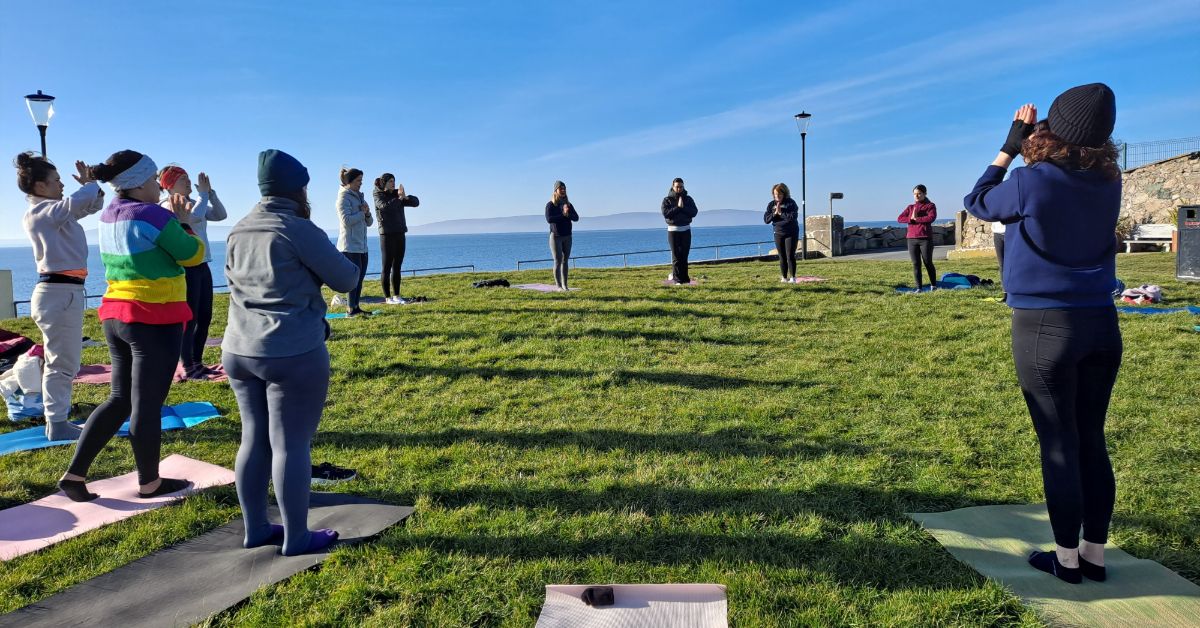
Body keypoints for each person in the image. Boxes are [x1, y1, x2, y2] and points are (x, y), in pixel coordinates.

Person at [964, 84, 1122, 584]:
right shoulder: (1110, 180)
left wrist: (1011, 144)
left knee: (1059, 443)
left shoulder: (1033, 180)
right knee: (1091, 439)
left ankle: (1066, 559)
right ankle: (1095, 555)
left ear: (1051, 127)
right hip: (1101, 321)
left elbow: (979, 202)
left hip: (1044, 325)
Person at [222, 149, 361, 555]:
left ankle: (255, 529)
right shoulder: (297, 228)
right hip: (291, 350)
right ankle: (296, 537)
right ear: (298, 188)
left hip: (238, 348)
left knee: (253, 439)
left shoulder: (239, 229)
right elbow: (345, 278)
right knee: (291, 445)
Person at [57, 150, 205, 502]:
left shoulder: (108, 215)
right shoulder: (153, 215)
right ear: (138, 183)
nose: (158, 186)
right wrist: (182, 221)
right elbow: (192, 255)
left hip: (115, 315)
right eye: (154, 180)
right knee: (147, 404)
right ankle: (150, 482)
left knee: (120, 399)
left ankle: (74, 475)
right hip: (154, 318)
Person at [15, 152, 105, 441]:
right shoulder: (41, 214)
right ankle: (57, 423)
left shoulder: (53, 213)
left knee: (65, 361)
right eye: (56, 181)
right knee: (61, 363)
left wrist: (94, 188)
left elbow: (90, 205)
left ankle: (58, 419)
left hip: (63, 292)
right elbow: (77, 202)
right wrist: (89, 184)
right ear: (40, 187)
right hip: (58, 292)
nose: (62, 185)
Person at [158, 165, 227, 379]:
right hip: (185, 266)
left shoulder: (195, 202)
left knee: (205, 315)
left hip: (202, 263)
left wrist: (211, 195)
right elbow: (194, 217)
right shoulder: (167, 205)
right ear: (169, 186)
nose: (188, 183)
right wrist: (203, 195)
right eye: (183, 180)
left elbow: (220, 215)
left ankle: (197, 360)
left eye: (188, 179)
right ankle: (187, 364)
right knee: (190, 317)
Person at [373, 173, 420, 304]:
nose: (393, 183)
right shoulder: (378, 194)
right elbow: (386, 207)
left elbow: (416, 202)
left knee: (397, 266)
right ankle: (388, 298)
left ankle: (397, 296)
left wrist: (405, 197)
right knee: (386, 266)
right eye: (390, 181)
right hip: (386, 234)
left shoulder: (396, 194)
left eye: (394, 181)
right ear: (384, 183)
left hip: (400, 232)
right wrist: (399, 198)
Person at [334, 167, 372, 315]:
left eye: (361, 181)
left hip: (362, 246)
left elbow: (369, 223)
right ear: (349, 182)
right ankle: (350, 309)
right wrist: (362, 213)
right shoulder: (342, 198)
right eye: (358, 181)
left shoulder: (360, 197)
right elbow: (346, 221)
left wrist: (367, 213)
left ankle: (356, 307)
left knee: (360, 278)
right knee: (353, 280)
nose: (360, 183)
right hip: (349, 246)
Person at [898, 185, 938, 290]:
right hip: (911, 239)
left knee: (928, 262)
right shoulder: (910, 207)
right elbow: (900, 218)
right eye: (915, 193)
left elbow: (931, 218)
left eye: (919, 193)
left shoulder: (930, 206)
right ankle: (919, 288)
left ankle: (933, 285)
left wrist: (917, 219)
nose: (916, 195)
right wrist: (911, 219)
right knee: (916, 264)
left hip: (925, 239)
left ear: (925, 194)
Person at [661, 177, 698, 284]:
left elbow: (694, 212)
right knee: (676, 256)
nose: (679, 189)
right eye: (677, 187)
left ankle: (685, 279)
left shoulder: (688, 199)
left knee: (684, 256)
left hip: (686, 230)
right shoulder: (667, 200)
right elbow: (666, 214)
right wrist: (678, 207)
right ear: (673, 186)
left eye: (681, 187)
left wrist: (683, 207)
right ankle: (677, 279)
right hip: (673, 231)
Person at [545, 180, 579, 291]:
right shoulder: (550, 205)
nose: (563, 191)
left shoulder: (568, 205)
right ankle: (558, 286)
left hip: (567, 236)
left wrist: (568, 213)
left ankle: (565, 285)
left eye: (564, 189)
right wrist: (563, 215)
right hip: (556, 236)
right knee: (558, 260)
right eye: (561, 189)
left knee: (566, 260)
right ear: (556, 191)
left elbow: (576, 218)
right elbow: (549, 219)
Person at [763, 183, 800, 282]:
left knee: (790, 255)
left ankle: (793, 278)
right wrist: (774, 213)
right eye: (775, 194)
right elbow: (766, 220)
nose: (777, 196)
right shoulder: (771, 205)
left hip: (791, 233)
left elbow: (792, 217)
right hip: (778, 233)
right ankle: (784, 278)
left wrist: (781, 213)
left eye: (779, 194)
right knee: (782, 256)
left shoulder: (791, 203)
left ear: (784, 193)